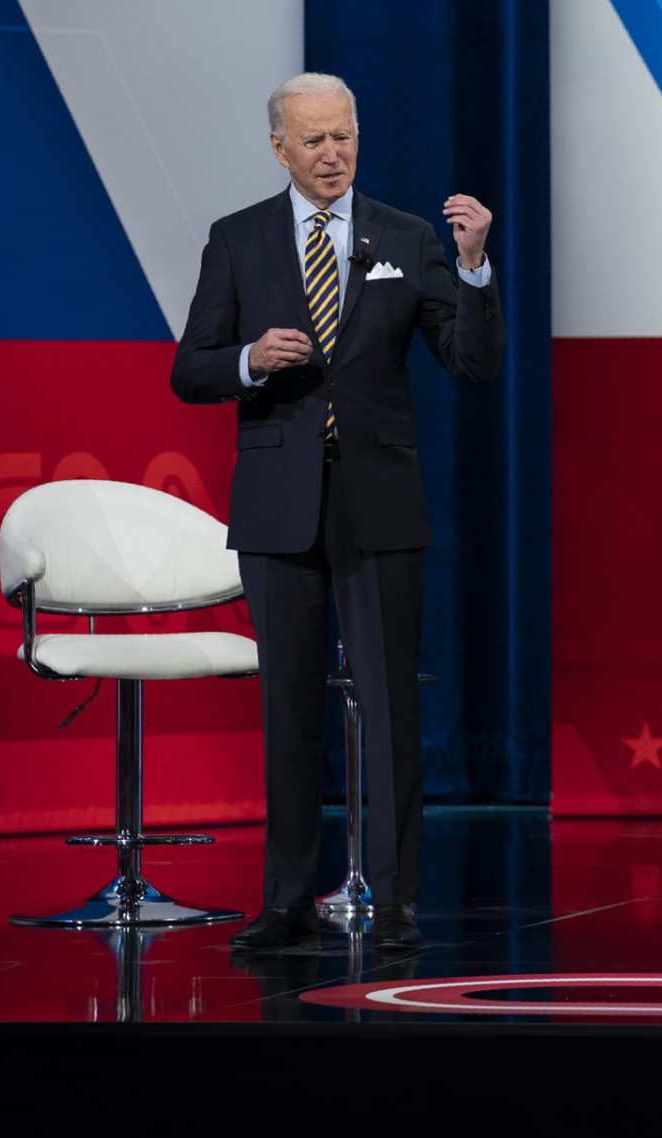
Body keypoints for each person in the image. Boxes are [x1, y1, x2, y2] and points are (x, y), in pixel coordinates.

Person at [171, 73, 505, 952]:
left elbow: (470, 363)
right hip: (279, 506)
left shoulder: (407, 235)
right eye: (314, 140)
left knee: (391, 705)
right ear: (279, 147)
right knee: (288, 710)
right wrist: (249, 357)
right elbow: (190, 368)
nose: (333, 155)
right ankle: (284, 900)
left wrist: (472, 269)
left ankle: (394, 902)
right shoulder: (238, 240)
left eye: (344, 136)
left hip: (379, 502)